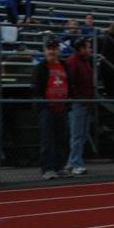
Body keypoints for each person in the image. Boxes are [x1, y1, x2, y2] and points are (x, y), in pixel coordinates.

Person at [31, 36, 73, 180]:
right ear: (45, 50)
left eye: (54, 49)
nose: (52, 52)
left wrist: (68, 102)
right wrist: (44, 103)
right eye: (49, 49)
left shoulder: (64, 65)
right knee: (48, 140)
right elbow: (36, 89)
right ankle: (47, 168)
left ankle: (60, 166)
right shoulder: (41, 67)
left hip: (62, 108)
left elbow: (70, 84)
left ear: (58, 50)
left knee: (62, 138)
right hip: (47, 109)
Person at [65, 37, 94, 176]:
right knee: (77, 135)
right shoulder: (73, 62)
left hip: (86, 102)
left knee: (82, 135)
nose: (90, 50)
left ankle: (72, 161)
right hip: (78, 102)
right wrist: (78, 97)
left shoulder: (85, 62)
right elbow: (70, 82)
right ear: (81, 48)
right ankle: (76, 163)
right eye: (87, 47)